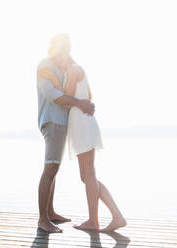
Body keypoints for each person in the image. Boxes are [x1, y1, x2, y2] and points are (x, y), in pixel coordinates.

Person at [46, 46, 127, 232]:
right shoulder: (74, 70)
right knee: (87, 175)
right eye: (55, 59)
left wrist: (52, 82)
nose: (58, 61)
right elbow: (86, 96)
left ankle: (94, 221)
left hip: (82, 123)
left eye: (60, 56)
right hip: (81, 123)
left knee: (88, 174)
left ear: (67, 54)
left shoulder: (74, 70)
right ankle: (117, 216)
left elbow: (66, 97)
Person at [36, 34, 95, 233]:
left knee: (54, 169)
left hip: (61, 123)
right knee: (50, 169)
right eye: (66, 47)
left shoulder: (62, 66)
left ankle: (50, 212)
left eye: (70, 48)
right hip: (52, 122)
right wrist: (80, 104)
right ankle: (43, 220)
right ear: (56, 46)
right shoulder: (45, 66)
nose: (69, 51)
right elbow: (53, 96)